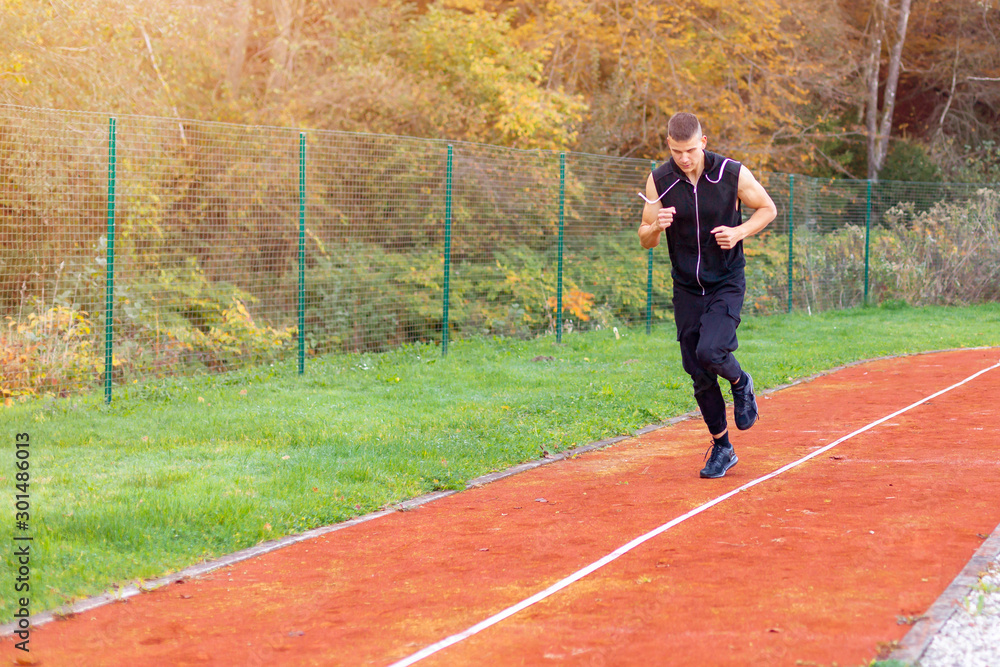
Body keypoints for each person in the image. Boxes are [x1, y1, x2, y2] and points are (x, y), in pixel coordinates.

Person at [638, 112, 777, 479]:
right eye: (675, 151)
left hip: (726, 280)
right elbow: (644, 238)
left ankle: (740, 382)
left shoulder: (730, 173)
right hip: (687, 287)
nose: (683, 158)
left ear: (703, 142)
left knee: (710, 351)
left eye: (689, 150)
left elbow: (768, 208)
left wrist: (740, 232)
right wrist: (655, 225)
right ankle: (722, 447)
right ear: (668, 145)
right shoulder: (660, 180)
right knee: (698, 372)